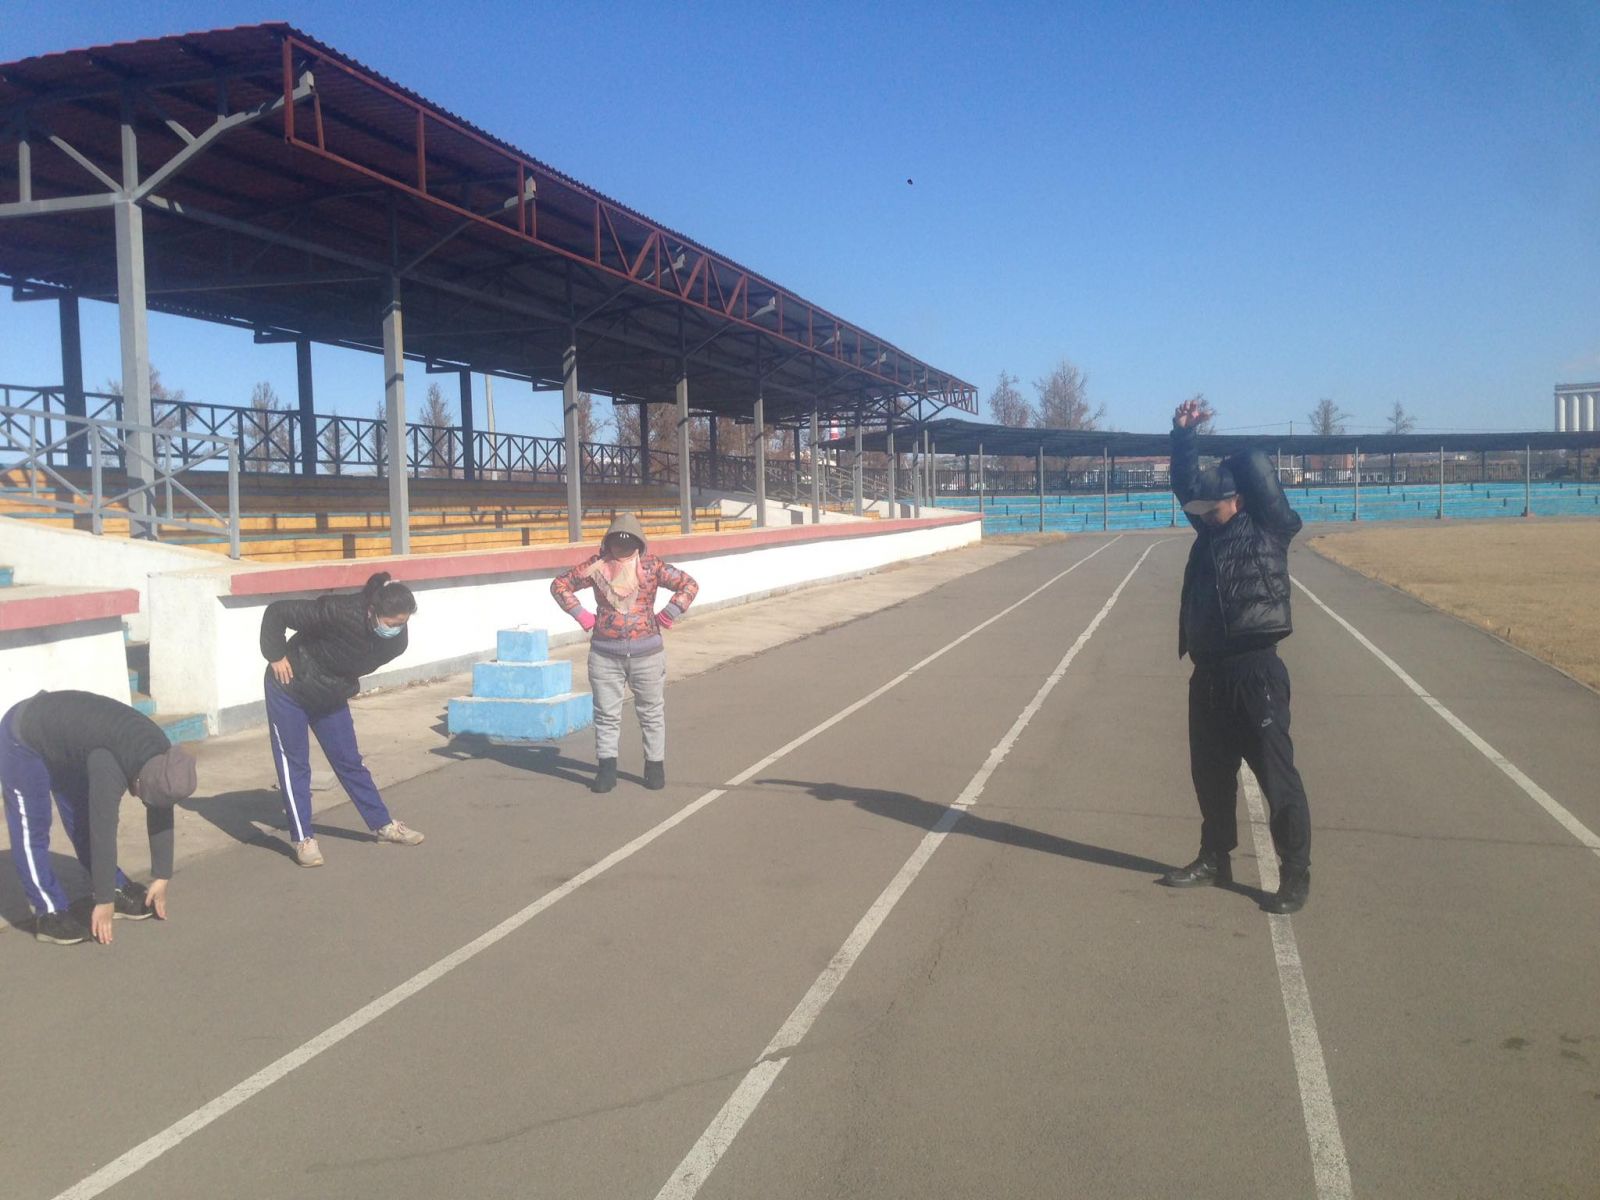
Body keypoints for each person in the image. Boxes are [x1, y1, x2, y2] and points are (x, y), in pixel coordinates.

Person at [1162, 397, 1313, 913]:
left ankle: (1295, 871)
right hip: (1208, 673)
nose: (1205, 512)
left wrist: (1229, 455)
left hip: (1255, 671)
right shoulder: (1208, 532)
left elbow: (1258, 470)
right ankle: (1214, 857)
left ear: (1240, 500)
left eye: (1216, 504)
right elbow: (1187, 487)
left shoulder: (1270, 527)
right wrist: (1185, 435)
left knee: (1276, 777)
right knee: (1210, 774)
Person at [2, 690, 198, 945]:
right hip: (24, 736)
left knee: (81, 817)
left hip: (67, 739)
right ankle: (48, 911)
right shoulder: (109, 763)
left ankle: (113, 887)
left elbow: (161, 802)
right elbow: (102, 831)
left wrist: (162, 877)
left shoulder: (163, 757)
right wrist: (103, 901)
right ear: (138, 781)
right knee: (33, 827)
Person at [259, 571, 424, 867]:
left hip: (330, 692)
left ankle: (383, 824)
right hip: (289, 686)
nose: (397, 629)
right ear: (372, 611)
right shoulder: (338, 611)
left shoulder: (396, 642)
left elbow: (348, 661)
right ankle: (303, 839)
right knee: (295, 764)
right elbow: (277, 612)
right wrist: (275, 655)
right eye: (392, 623)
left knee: (349, 761)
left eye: (403, 623)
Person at [551, 512, 699, 793]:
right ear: (608, 542)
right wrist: (582, 615)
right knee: (607, 715)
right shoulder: (596, 566)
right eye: (617, 541)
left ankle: (654, 767)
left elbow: (689, 584)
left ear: (638, 543)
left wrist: (669, 613)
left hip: (647, 653)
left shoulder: (652, 567)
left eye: (628, 541)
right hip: (605, 654)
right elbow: (559, 585)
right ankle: (607, 770)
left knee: (651, 713)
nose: (622, 546)